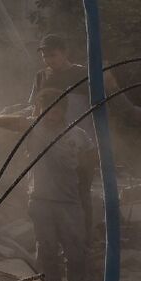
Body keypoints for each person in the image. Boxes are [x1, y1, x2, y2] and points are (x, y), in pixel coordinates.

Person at [0, 88, 89, 281]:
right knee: (46, 249)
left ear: (64, 111)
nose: (52, 115)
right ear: (41, 110)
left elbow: (89, 166)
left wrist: (84, 196)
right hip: (40, 200)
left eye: (57, 111)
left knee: (75, 251)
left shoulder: (78, 135)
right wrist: (30, 118)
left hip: (69, 201)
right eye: (47, 110)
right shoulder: (33, 127)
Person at [29, 34, 99, 242]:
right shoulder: (41, 76)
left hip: (80, 144)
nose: (48, 60)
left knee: (80, 192)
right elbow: (35, 108)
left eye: (53, 55)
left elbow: (99, 107)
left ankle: (83, 239)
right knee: (49, 193)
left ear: (64, 53)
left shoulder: (83, 75)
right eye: (45, 56)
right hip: (48, 145)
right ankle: (56, 240)